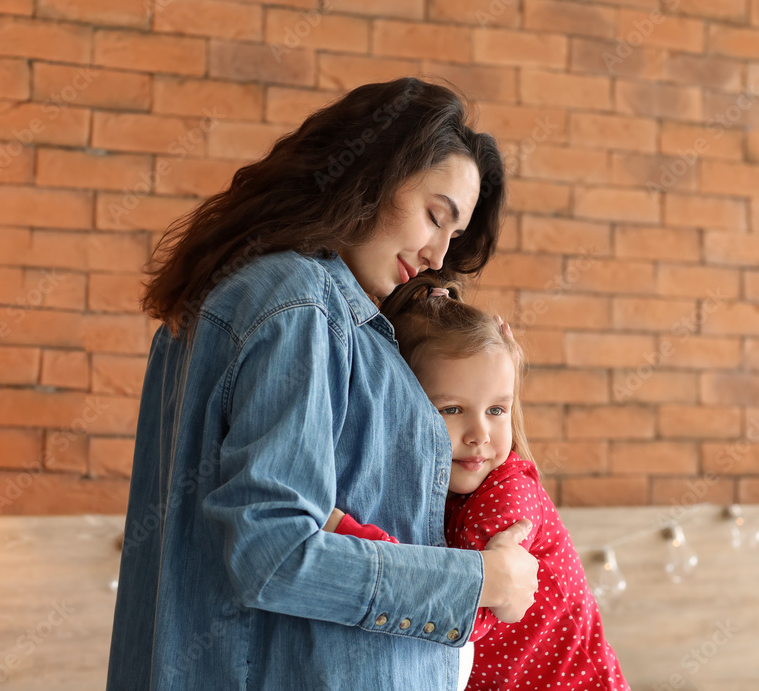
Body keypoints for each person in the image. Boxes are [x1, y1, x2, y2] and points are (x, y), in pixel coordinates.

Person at [106, 77, 539, 690]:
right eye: (436, 216)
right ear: (369, 176)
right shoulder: (299, 305)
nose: (440, 253)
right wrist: (482, 582)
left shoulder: (241, 300)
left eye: (456, 235)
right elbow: (275, 554)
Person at [324, 274, 632, 691]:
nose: (479, 434)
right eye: (452, 409)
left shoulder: (507, 497)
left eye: (496, 410)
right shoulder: (438, 489)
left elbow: (459, 607)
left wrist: (347, 534)